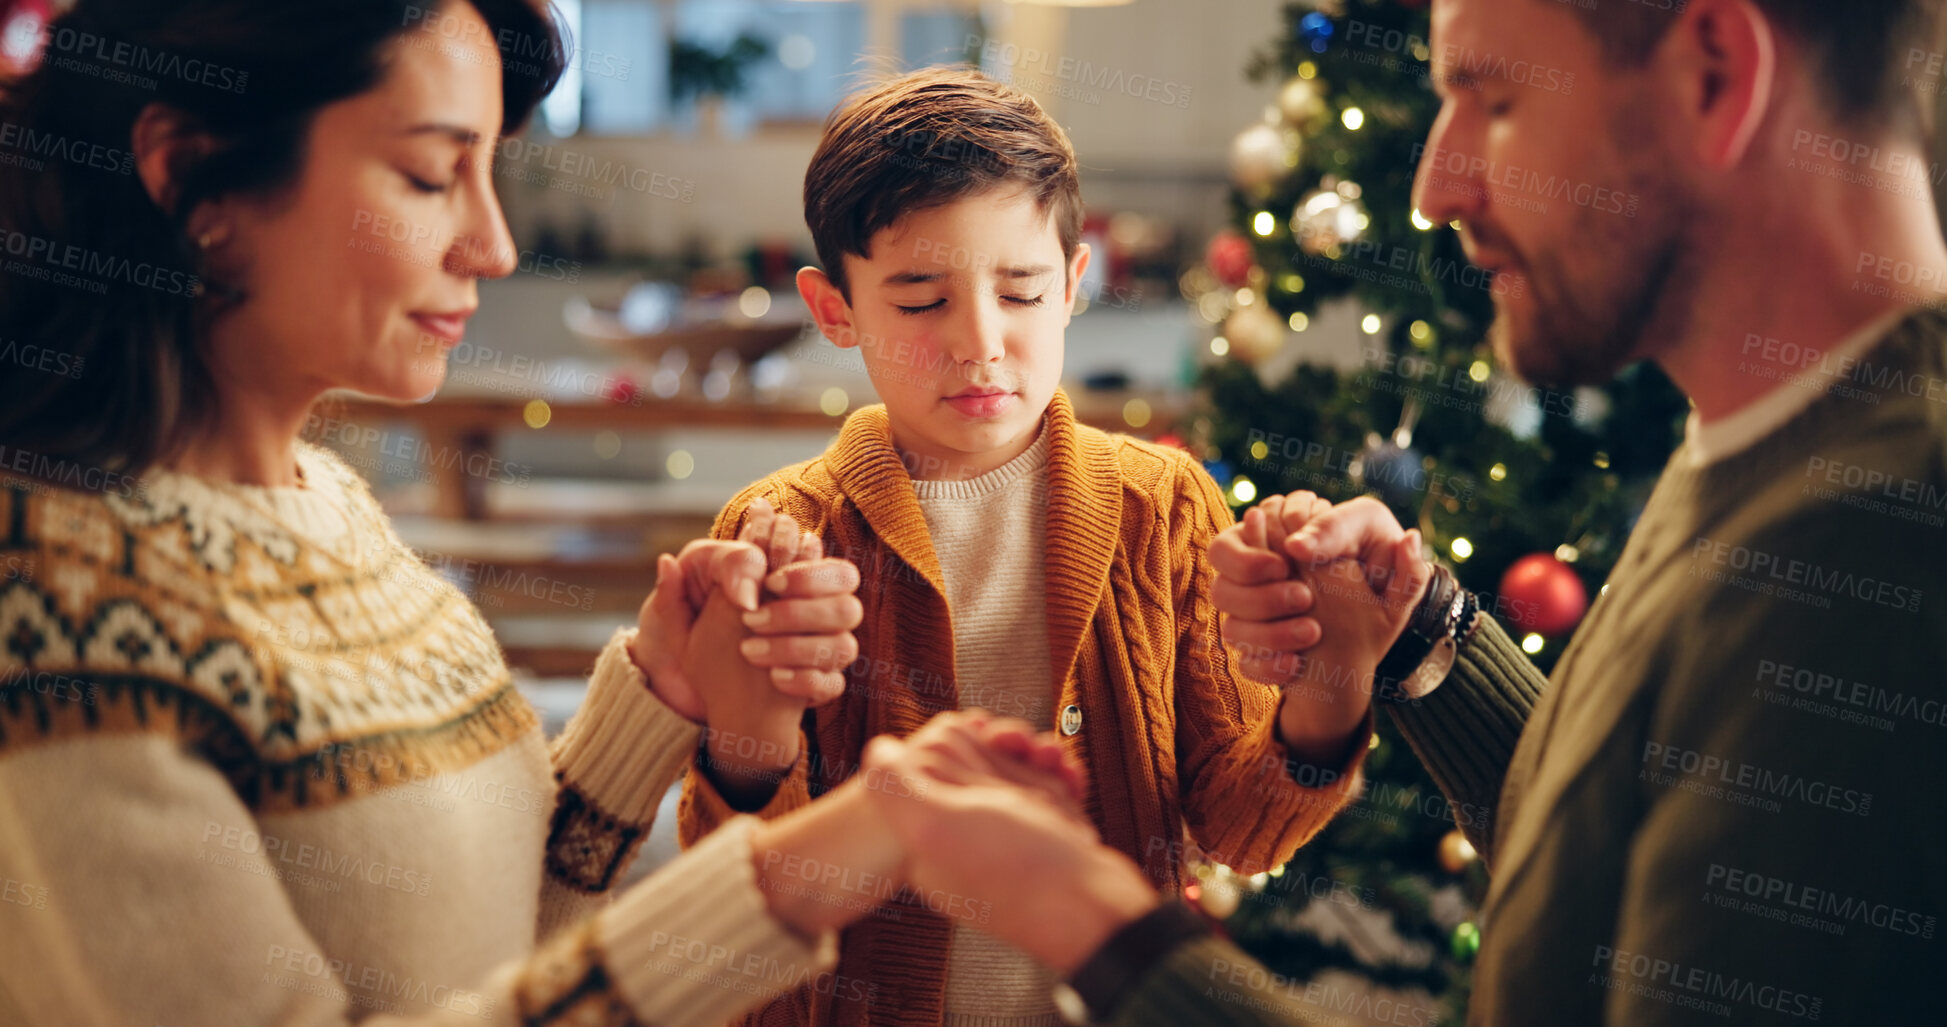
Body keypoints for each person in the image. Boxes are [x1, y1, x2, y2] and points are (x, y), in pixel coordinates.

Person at [0, 2, 928, 1023]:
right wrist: (791, 879)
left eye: (491, 173)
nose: (493, 246)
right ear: (190, 170)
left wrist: (665, 692)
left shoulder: (323, 504)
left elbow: (489, 947)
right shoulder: (48, 601)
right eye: (432, 175)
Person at [1212, 0, 1947, 1023]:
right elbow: (1619, 881)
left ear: (1715, 75)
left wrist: (1111, 946)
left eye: (1495, 100)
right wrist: (1424, 631)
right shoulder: (1764, 435)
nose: (1435, 188)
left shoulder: (1878, 543)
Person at [677, 67, 1377, 1027]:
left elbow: (1240, 831)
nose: (980, 342)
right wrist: (746, 744)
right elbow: (733, 909)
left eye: (1019, 290)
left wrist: (1329, 686)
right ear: (834, 307)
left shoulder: (1163, 507)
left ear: (1074, 281)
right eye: (920, 300)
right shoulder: (782, 531)